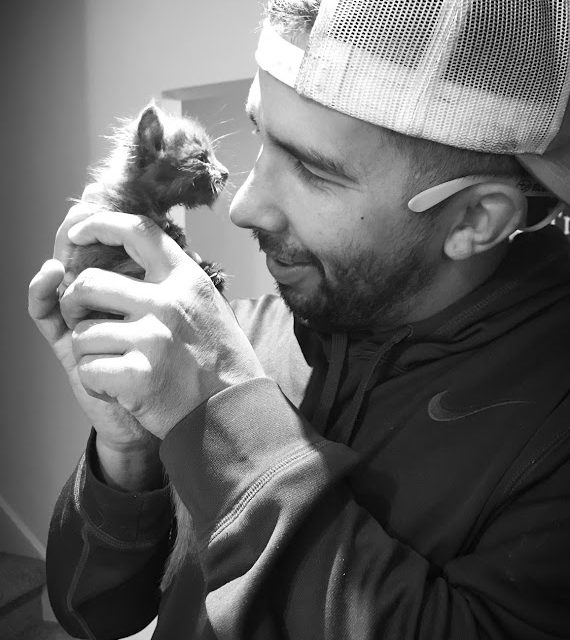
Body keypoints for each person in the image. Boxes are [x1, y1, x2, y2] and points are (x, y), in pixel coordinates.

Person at [28, 0, 570, 638]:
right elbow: (92, 611)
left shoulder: (552, 425)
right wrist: (128, 453)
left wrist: (233, 416)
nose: (244, 207)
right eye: (261, 136)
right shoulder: (245, 331)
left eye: (315, 171)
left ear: (477, 218)